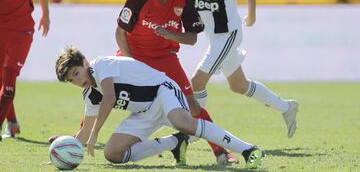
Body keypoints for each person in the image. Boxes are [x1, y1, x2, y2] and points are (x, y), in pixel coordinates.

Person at [55, 46, 264, 169]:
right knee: (113, 154)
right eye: (70, 80)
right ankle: (173, 143)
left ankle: (248, 150)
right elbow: (83, 134)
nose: (76, 80)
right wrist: (63, 150)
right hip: (144, 111)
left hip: (162, 91)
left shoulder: (101, 65)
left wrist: (95, 134)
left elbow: (109, 97)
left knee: (181, 122)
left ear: (84, 62)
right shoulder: (90, 95)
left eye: (76, 73)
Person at [116, 0, 237, 164]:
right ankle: (79, 139)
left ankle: (221, 152)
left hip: (165, 58)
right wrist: (129, 62)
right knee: (103, 89)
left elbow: (192, 38)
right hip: (134, 56)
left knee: (193, 106)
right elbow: (120, 32)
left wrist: (171, 35)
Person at [178, 0, 299, 138]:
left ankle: (194, 133)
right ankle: (287, 107)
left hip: (229, 34)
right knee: (238, 85)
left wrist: (251, 15)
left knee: (197, 83)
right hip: (212, 37)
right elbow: (180, 0)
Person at [0, 0, 50, 140]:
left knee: (10, 75)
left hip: (22, 29)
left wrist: (46, 15)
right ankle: (12, 123)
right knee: (2, 80)